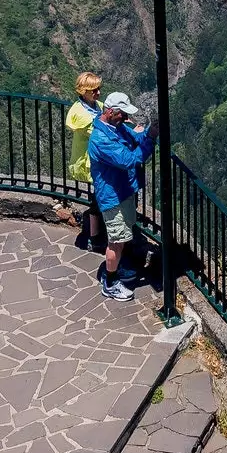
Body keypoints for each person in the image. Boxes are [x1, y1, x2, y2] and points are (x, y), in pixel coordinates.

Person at [87, 93, 157, 303]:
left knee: (123, 236)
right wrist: (151, 139)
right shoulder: (101, 140)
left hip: (123, 192)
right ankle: (110, 282)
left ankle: (118, 270)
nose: (125, 117)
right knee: (116, 241)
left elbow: (136, 139)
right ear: (110, 112)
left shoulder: (115, 128)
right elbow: (130, 159)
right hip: (113, 198)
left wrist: (148, 133)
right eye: (122, 113)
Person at [65, 71, 103, 250]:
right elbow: (99, 131)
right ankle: (94, 238)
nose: (98, 93)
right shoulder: (80, 114)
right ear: (83, 91)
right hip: (87, 161)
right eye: (93, 90)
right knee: (98, 197)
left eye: (98, 89)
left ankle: (96, 234)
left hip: (97, 160)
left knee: (99, 195)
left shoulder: (98, 106)